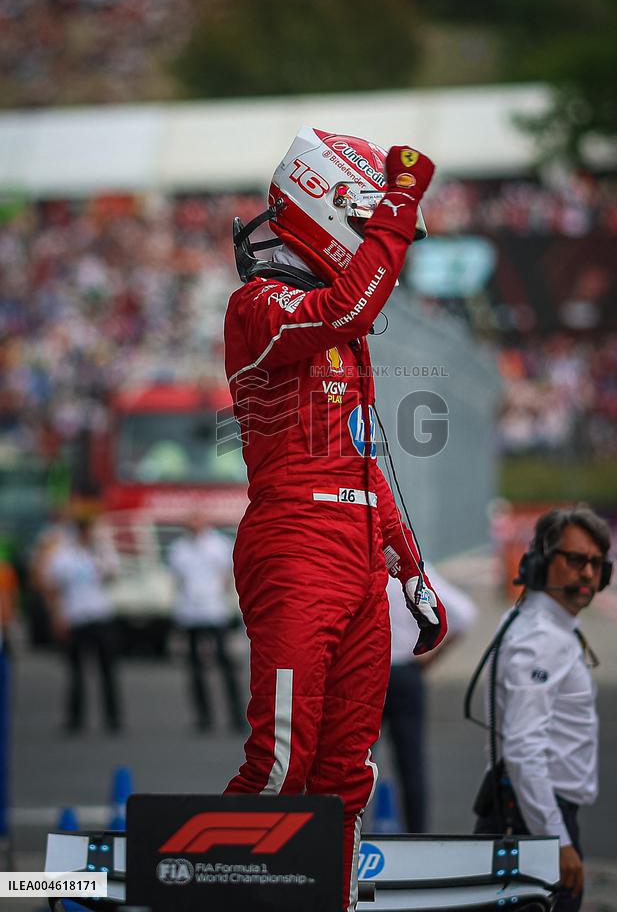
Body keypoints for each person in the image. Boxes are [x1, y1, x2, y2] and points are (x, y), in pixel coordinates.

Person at [224, 127, 448, 912]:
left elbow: (360, 459)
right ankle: (230, 893)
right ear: (325, 203)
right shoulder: (257, 306)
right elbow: (354, 301)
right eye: (367, 221)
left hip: (353, 551)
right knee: (281, 762)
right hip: (293, 547)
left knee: (345, 776)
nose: (381, 244)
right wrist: (403, 199)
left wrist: (410, 565)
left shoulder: (339, 331)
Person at [473, 505, 613, 911]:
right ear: (538, 563)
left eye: (596, 564)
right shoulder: (541, 638)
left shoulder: (545, 627)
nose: (587, 573)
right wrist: (559, 842)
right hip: (534, 822)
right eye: (575, 559)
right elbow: (523, 750)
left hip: (529, 815)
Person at [384, 561, 477, 832]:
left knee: (355, 763)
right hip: (408, 673)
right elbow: (465, 614)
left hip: (367, 674)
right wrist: (433, 657)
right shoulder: (415, 573)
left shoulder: (361, 568)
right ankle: (417, 835)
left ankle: (347, 835)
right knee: (412, 763)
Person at [43, 518, 122, 734]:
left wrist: (99, 558)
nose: (87, 534)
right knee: (75, 671)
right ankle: (75, 719)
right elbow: (52, 587)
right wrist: (57, 616)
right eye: (83, 530)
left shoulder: (101, 552)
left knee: (107, 671)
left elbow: (113, 574)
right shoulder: (64, 556)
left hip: (100, 615)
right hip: (75, 617)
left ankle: (113, 718)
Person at [168, 513, 245, 733]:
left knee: (225, 665)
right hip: (190, 612)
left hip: (214, 610)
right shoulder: (179, 549)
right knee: (195, 669)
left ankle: (235, 715)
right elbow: (177, 580)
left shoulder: (219, 544)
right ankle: (203, 717)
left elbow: (227, 574)